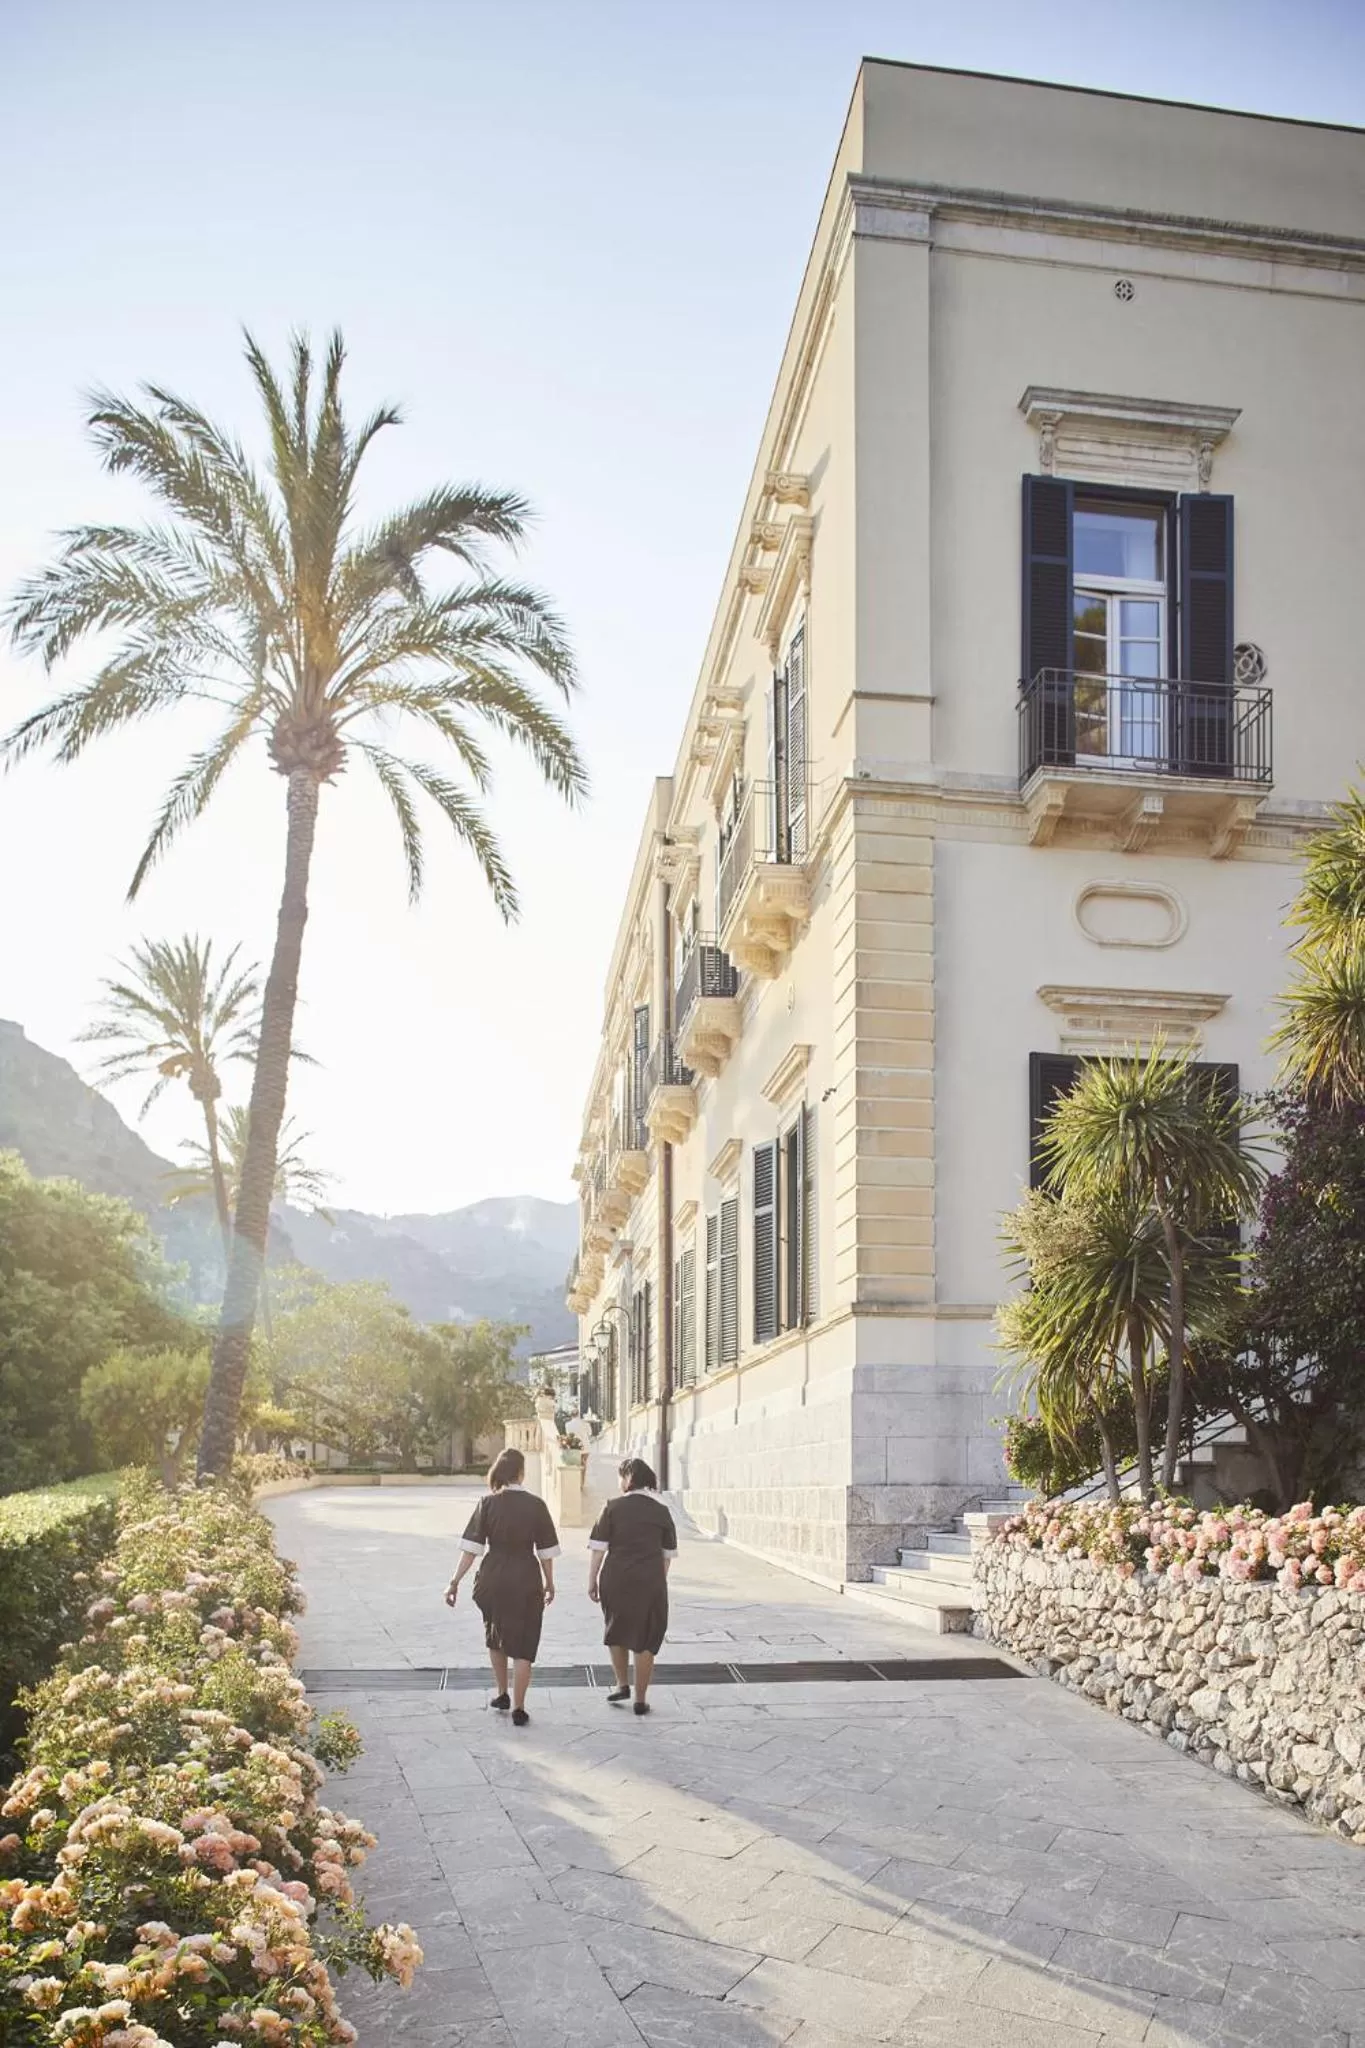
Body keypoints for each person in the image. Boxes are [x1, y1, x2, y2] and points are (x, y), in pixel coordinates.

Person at [444, 1448, 560, 1726]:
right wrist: (549, 1582)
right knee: (523, 1644)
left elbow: (471, 1549)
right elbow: (546, 1552)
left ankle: (501, 1694)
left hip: (493, 1578)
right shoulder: (536, 1505)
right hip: (525, 1578)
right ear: (521, 1472)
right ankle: (519, 1707)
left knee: (495, 1635)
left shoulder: (487, 1503)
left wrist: (454, 1582)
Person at [586, 1457, 676, 1716]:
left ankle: (622, 1684)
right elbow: (667, 1555)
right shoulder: (661, 1511)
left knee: (616, 1628)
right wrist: (657, 1580)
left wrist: (592, 1580)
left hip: (616, 1578)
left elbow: (598, 1549)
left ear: (628, 1478)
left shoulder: (612, 1507)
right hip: (650, 1580)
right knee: (646, 1638)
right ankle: (640, 1699)